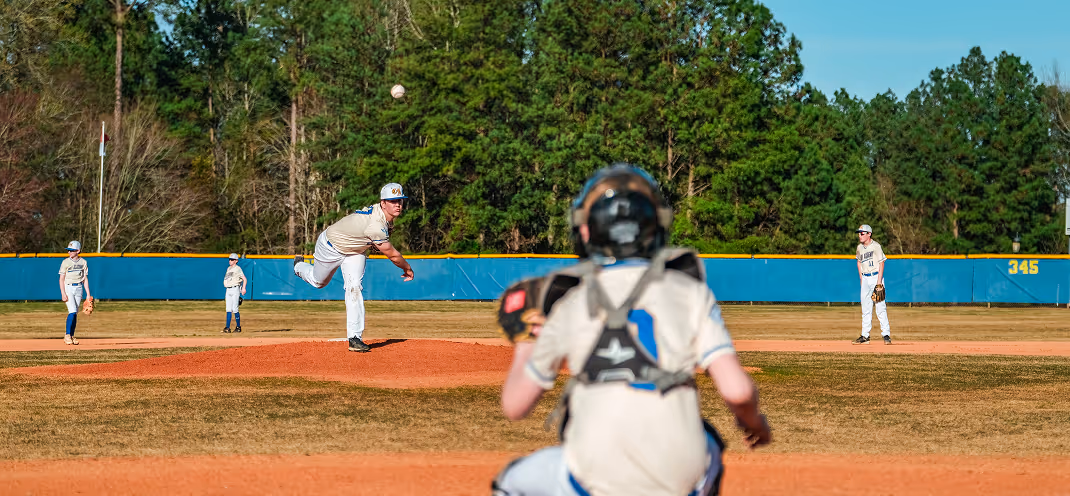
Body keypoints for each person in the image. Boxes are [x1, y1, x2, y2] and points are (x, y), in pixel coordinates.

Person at [492, 164, 772, 496]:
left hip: (593, 475)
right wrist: (754, 423)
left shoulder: (572, 301)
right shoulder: (689, 291)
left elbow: (515, 406)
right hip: (678, 475)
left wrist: (526, 342)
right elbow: (737, 392)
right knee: (708, 441)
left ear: (586, 232)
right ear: (657, 226)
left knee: (511, 482)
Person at [293, 183, 414, 352]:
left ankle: (355, 337)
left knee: (354, 287)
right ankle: (299, 266)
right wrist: (407, 268)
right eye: (392, 201)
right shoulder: (376, 225)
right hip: (331, 246)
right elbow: (393, 255)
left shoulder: (383, 217)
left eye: (400, 200)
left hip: (355, 252)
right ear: (383, 203)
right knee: (318, 282)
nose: (398, 204)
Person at [853, 224, 892, 344]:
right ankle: (865, 336)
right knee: (866, 308)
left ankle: (886, 335)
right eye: (859, 233)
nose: (860, 235)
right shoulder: (859, 248)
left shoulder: (876, 246)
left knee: (880, 307)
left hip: (876, 277)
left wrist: (879, 282)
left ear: (869, 234)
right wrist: (861, 278)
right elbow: (859, 262)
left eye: (862, 233)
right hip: (865, 278)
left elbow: (881, 263)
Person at [58, 240, 91, 345]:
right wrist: (63, 293)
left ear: (78, 251)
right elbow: (61, 279)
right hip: (68, 288)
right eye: (68, 250)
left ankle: (71, 336)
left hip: (79, 288)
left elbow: (85, 279)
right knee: (72, 311)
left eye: (71, 250)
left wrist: (88, 295)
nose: (69, 252)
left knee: (75, 313)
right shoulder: (65, 262)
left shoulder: (83, 262)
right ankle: (67, 335)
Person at [222, 253, 247, 333]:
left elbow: (244, 279)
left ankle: (238, 327)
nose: (230, 261)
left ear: (236, 261)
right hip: (228, 289)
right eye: (229, 259)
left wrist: (243, 288)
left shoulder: (238, 268)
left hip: (235, 289)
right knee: (228, 309)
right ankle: (227, 328)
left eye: (232, 259)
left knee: (235, 309)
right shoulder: (228, 268)